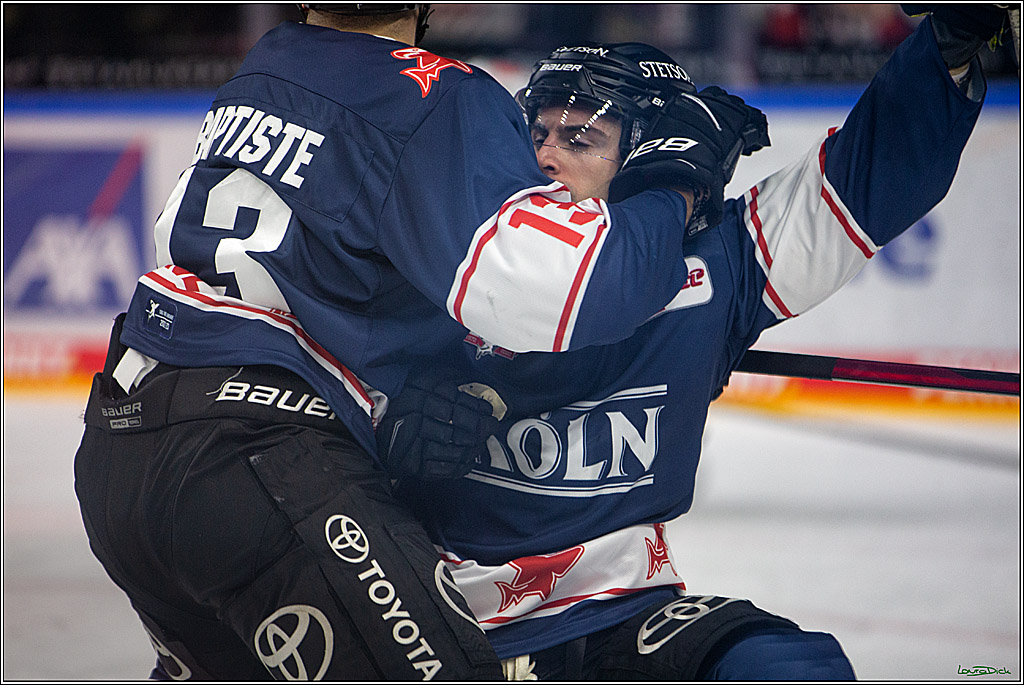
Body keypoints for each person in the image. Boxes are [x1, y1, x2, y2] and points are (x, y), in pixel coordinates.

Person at [73, 3, 753, 680]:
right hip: (255, 461)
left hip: (120, 450)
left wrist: (399, 403)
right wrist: (673, 178)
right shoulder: (440, 96)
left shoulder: (267, 67)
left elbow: (340, 267)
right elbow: (568, 291)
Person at [389, 5, 1007, 680]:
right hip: (425, 607)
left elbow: (868, 179)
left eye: (579, 137)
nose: (544, 156)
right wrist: (385, 430)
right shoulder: (461, 245)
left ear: (644, 153)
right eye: (537, 133)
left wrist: (948, 45)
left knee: (790, 668)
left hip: (616, 608)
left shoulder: (717, 264)